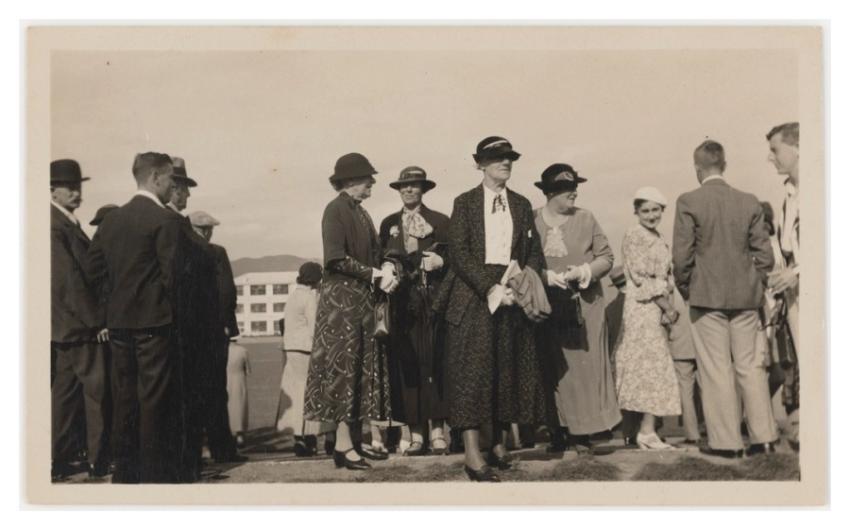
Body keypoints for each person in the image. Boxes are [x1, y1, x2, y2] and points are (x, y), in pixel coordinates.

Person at [434, 136, 547, 481]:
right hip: (473, 295)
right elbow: (460, 254)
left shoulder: (522, 204)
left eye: (509, 157)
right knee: (472, 374)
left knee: (505, 369)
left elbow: (532, 252)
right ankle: (472, 454)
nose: (506, 163)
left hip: (511, 295)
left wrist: (521, 283)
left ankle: (496, 444)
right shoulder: (465, 202)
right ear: (480, 164)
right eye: (498, 158)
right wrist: (491, 288)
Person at [672, 140, 778, 458]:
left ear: (697, 168)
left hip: (706, 298)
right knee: (750, 368)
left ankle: (727, 444)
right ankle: (765, 439)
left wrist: (687, 289)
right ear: (725, 165)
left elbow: (681, 257)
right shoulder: (748, 202)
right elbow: (765, 255)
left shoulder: (689, 200)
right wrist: (754, 285)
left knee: (716, 370)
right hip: (747, 298)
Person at [86, 152, 184, 483]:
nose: (174, 185)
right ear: (156, 177)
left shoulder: (112, 220)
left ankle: (125, 472)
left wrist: (107, 312)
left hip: (118, 325)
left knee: (125, 397)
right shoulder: (164, 220)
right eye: (171, 178)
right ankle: (156, 474)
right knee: (154, 399)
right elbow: (172, 277)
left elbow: (93, 272)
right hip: (154, 324)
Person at [302, 153, 398, 471]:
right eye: (366, 178)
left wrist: (385, 264)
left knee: (359, 371)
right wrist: (374, 274)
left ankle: (353, 442)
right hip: (342, 304)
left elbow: (373, 253)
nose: (371, 182)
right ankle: (343, 446)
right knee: (346, 372)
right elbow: (335, 258)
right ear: (350, 182)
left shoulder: (359, 211)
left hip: (358, 303)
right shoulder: (337, 210)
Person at [532, 163, 620, 453]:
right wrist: (546, 277)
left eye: (574, 187)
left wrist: (584, 271)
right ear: (550, 193)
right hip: (546, 305)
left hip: (584, 306)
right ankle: (557, 429)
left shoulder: (586, 218)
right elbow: (524, 262)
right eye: (566, 189)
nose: (574, 193)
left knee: (583, 370)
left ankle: (584, 432)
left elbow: (606, 257)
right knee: (552, 367)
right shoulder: (531, 221)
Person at [379, 166, 451, 456]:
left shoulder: (441, 221)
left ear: (424, 188)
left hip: (434, 303)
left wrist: (441, 262)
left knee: (435, 365)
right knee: (408, 369)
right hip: (402, 307)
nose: (408, 190)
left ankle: (437, 432)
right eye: (404, 186)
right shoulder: (388, 224)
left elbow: (455, 256)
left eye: (414, 185)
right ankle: (416, 433)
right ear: (398, 190)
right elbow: (380, 256)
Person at [50, 159, 110, 480]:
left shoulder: (63, 222)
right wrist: (97, 321)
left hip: (65, 330)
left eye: (79, 186)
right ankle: (97, 461)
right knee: (95, 395)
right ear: (51, 190)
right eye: (70, 187)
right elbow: (70, 283)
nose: (77, 192)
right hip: (80, 329)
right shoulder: (56, 225)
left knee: (64, 397)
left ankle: (57, 462)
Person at [614, 186, 681, 450]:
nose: (651, 215)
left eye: (655, 210)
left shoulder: (655, 236)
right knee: (650, 367)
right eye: (645, 210)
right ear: (636, 212)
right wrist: (667, 306)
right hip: (644, 308)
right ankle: (646, 431)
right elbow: (642, 279)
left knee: (644, 366)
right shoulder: (635, 235)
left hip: (652, 308)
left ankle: (636, 431)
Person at [188, 210, 245, 464]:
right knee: (216, 391)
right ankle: (222, 448)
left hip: (187, 333)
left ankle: (193, 448)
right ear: (207, 230)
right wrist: (225, 325)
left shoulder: (181, 251)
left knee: (192, 391)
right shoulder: (216, 252)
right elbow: (227, 292)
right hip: (213, 332)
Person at [765, 122, 800, 451]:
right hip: (795, 302)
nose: (770, 157)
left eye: (775, 149)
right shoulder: (789, 196)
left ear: (797, 148)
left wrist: (798, 271)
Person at [277, 261, 335, 456]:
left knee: (297, 392)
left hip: (291, 348)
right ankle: (317, 438)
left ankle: (301, 438)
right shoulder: (310, 298)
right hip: (306, 349)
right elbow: (314, 328)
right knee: (312, 393)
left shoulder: (293, 296)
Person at [669, 287, 702, 445]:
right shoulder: (700, 284)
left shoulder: (671, 290)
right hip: (703, 346)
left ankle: (692, 434)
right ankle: (715, 431)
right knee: (708, 390)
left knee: (685, 393)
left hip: (680, 346)